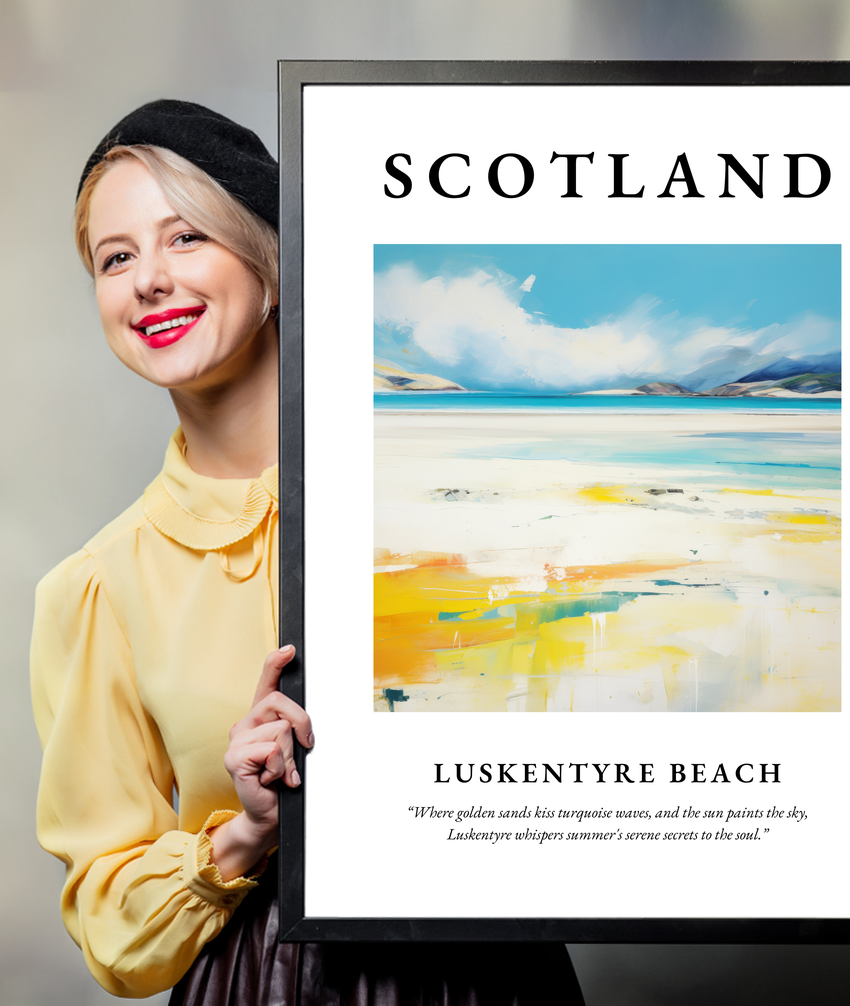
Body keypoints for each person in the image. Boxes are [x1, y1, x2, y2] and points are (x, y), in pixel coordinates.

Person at [30, 100, 585, 1004]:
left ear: (273, 264)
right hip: (262, 982)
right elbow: (110, 924)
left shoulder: (460, 493)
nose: (148, 281)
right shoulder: (97, 587)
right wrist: (245, 832)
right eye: (116, 257)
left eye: (186, 239)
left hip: (492, 973)